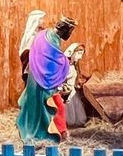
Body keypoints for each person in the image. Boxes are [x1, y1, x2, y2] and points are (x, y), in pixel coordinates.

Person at [17, 13, 82, 142]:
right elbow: (52, 59)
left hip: (36, 76)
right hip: (43, 81)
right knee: (44, 108)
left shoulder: (44, 34)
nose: (70, 35)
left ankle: (39, 131)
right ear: (64, 29)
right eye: (70, 31)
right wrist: (65, 61)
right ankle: (40, 134)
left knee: (39, 106)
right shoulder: (51, 39)